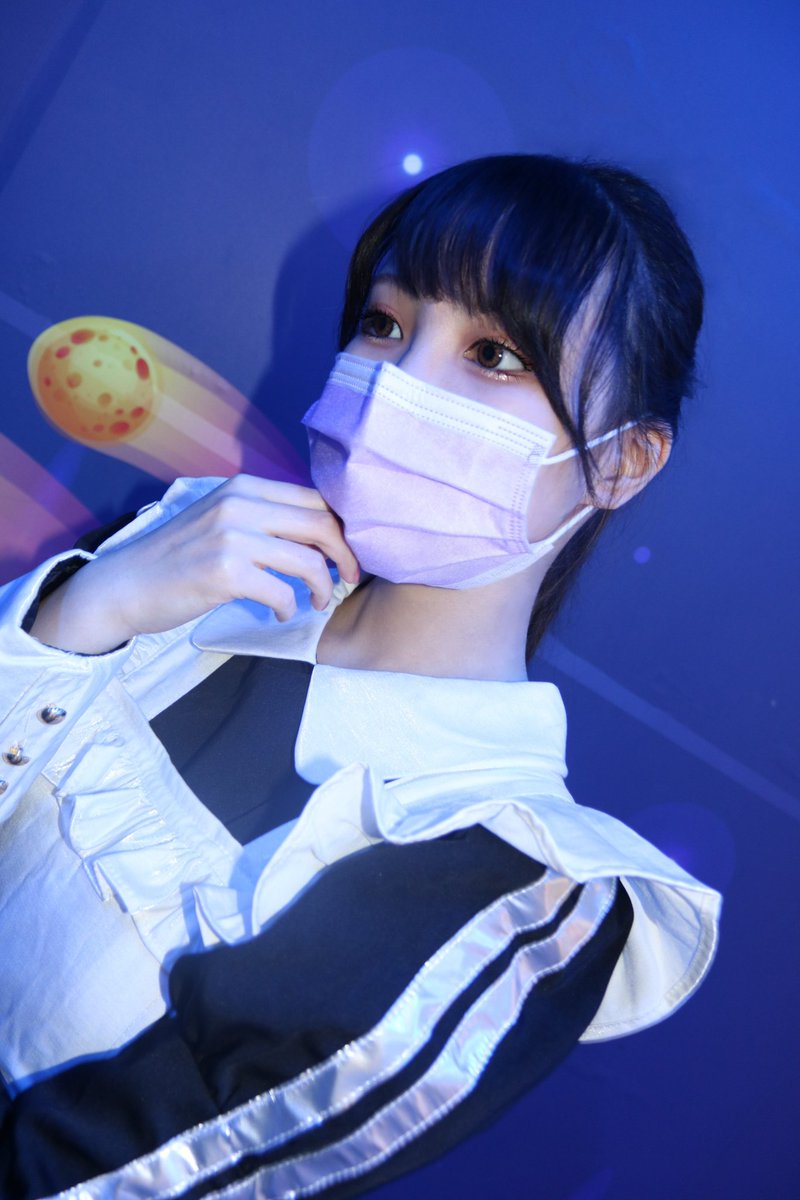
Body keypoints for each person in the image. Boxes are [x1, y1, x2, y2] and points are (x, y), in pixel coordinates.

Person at [0, 154, 720, 1199]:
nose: (396, 384)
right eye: (384, 324)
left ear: (621, 462)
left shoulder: (514, 873)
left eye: (494, 354)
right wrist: (82, 616)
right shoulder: (188, 554)